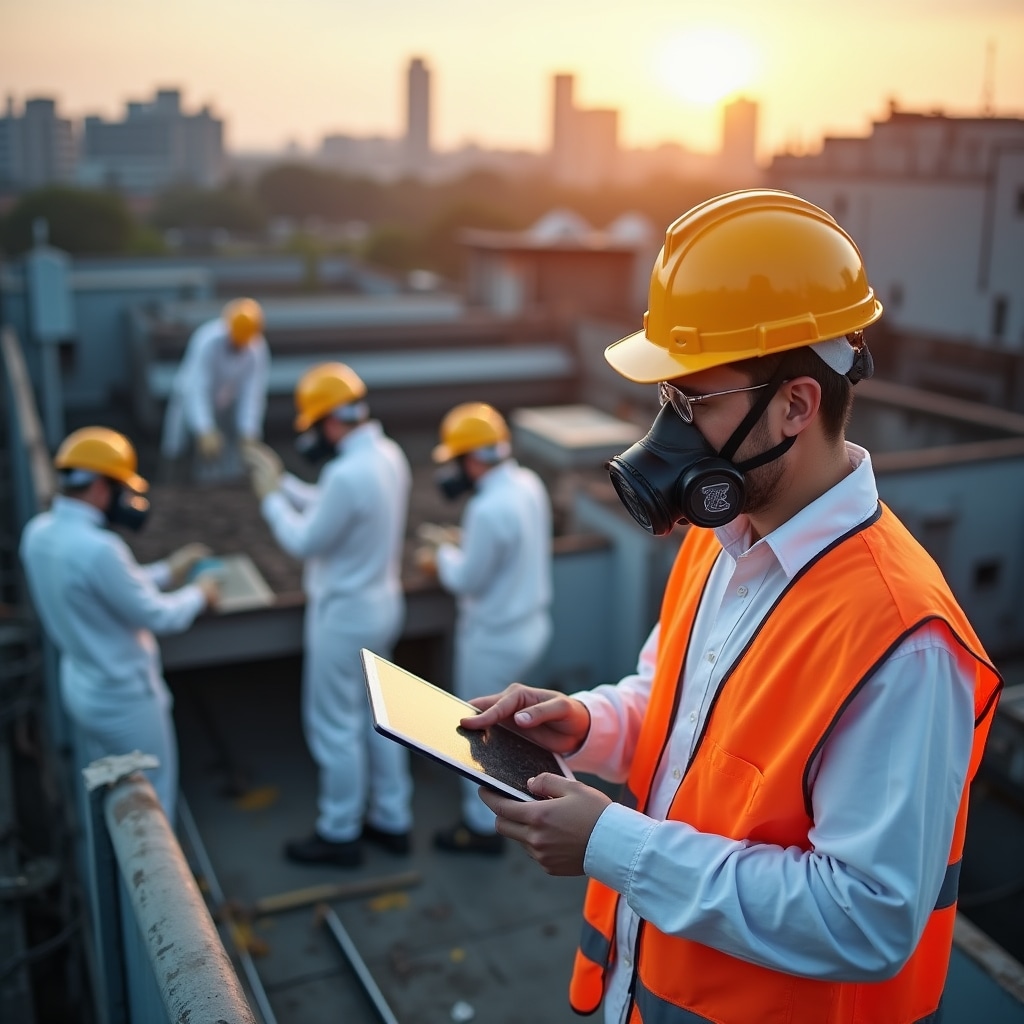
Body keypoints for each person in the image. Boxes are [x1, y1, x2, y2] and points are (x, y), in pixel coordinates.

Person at [462, 190, 1003, 1023]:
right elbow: (673, 706)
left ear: (796, 405)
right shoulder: (719, 542)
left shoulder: (904, 638)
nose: (667, 434)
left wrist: (611, 844)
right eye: (666, 400)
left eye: (693, 402)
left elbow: (867, 917)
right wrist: (581, 722)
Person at [242, 361, 413, 867]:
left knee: (335, 726)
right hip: (383, 605)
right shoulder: (388, 454)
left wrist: (271, 497)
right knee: (380, 720)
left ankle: (339, 832)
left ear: (331, 422)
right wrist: (287, 482)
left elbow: (303, 538)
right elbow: (331, 504)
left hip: (344, 616)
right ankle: (392, 819)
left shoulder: (344, 472)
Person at [19, 427, 220, 824]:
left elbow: (107, 589)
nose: (127, 499)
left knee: (111, 791)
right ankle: (160, 885)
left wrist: (167, 570)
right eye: (121, 488)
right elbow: (156, 615)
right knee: (154, 803)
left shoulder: (38, 533)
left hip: (82, 687)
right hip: (126, 700)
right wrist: (200, 593)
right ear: (98, 487)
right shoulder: (101, 549)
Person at [416, 402, 552, 855]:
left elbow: (465, 579)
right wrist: (463, 546)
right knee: (512, 732)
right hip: (532, 628)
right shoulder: (526, 483)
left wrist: (441, 558)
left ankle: (480, 829)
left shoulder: (487, 508)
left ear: (473, 458)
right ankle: (517, 800)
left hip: (493, 641)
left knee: (477, 734)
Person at [160, 297, 270, 478]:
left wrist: (249, 431)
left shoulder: (257, 348)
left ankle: (213, 486)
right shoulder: (208, 340)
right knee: (176, 448)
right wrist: (204, 429)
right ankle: (169, 481)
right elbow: (197, 390)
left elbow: (252, 393)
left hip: (224, 401)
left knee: (224, 454)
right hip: (188, 397)